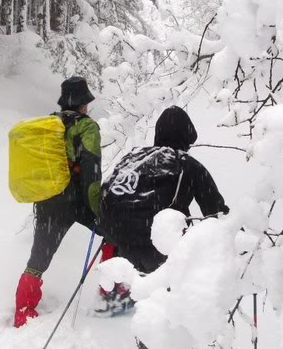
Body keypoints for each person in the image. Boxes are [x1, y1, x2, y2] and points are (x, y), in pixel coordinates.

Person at [97, 106, 229, 312]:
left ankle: (113, 294)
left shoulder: (133, 157)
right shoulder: (187, 164)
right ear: (187, 137)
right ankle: (171, 301)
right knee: (186, 233)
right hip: (158, 252)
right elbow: (216, 214)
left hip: (119, 243)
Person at [13, 76, 102, 327]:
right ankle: (112, 295)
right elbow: (91, 172)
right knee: (114, 233)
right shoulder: (87, 127)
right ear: (83, 103)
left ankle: (23, 311)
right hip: (77, 200)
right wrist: (97, 208)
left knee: (38, 258)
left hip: (49, 200)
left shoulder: (50, 124)